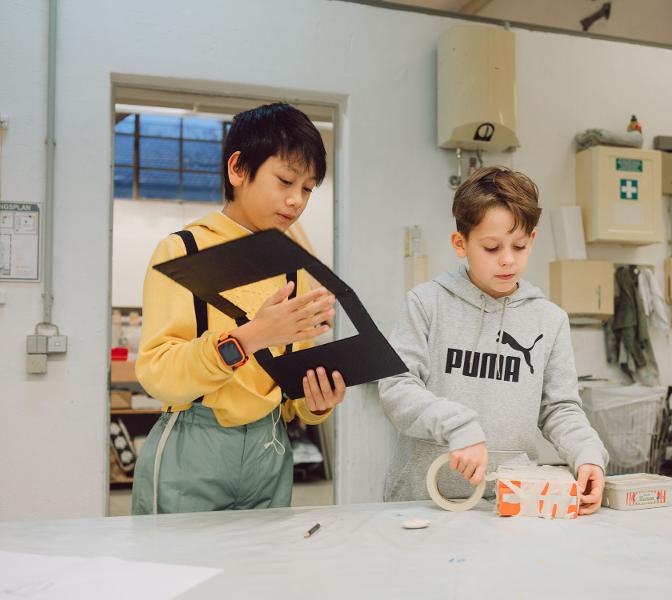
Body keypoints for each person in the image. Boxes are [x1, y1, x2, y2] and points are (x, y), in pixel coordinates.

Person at [132, 103, 345, 515]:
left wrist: (317, 400)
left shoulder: (293, 267)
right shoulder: (183, 250)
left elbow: (293, 394)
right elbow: (158, 374)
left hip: (271, 447)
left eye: (307, 189)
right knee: (179, 557)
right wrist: (249, 338)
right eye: (285, 181)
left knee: (264, 558)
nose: (296, 201)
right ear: (238, 168)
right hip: (193, 445)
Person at [378, 166, 608, 514]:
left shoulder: (550, 320)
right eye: (491, 247)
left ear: (532, 239)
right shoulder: (426, 304)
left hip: (509, 504)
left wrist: (587, 454)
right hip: (422, 502)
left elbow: (560, 408)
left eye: (519, 246)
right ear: (461, 244)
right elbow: (396, 388)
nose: (507, 259)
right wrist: (458, 425)